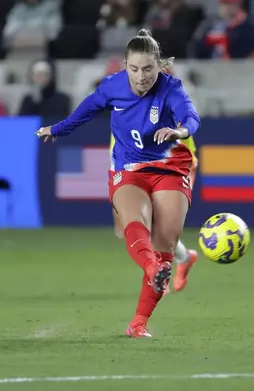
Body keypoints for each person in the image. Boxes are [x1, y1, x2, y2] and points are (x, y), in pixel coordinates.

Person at [36, 29, 201, 339]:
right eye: (134, 69)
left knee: (164, 242)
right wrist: (57, 129)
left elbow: (191, 117)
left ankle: (138, 323)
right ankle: (154, 269)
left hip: (170, 167)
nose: (141, 76)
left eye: (148, 69)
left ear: (159, 66)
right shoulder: (112, 86)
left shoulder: (171, 89)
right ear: (125, 65)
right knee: (132, 222)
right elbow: (84, 111)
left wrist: (180, 132)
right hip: (129, 167)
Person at [110, 132, 198, 295]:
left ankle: (158, 276)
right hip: (127, 167)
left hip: (170, 168)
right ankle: (184, 257)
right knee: (124, 230)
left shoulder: (165, 109)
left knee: (152, 224)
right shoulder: (120, 110)